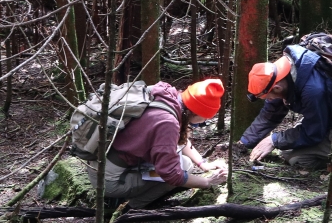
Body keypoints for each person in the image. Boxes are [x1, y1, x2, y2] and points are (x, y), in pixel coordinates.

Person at [86, 78, 228, 208]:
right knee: (179, 170)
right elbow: (171, 174)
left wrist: (203, 164)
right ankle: (130, 207)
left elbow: (178, 139)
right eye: (205, 118)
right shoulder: (167, 122)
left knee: (186, 164)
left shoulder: (167, 95)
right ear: (195, 113)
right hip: (109, 181)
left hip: (103, 162)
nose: (204, 122)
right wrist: (208, 182)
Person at [240, 44, 332, 169]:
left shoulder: (313, 91)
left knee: (296, 159)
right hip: (326, 116)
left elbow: (313, 132)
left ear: (276, 87)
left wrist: (274, 140)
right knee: (287, 148)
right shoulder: (281, 76)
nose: (269, 100)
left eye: (267, 97)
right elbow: (270, 114)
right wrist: (243, 143)